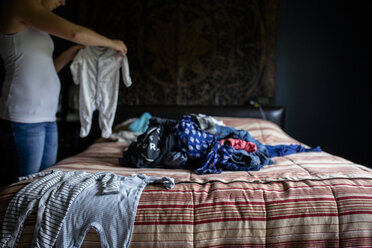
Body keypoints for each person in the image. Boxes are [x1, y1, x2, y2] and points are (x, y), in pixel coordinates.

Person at [0, 0, 128, 188]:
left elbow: (47, 68)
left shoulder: (36, 25)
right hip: (23, 117)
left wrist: (70, 54)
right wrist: (112, 43)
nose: (62, 2)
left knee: (43, 184)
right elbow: (75, 33)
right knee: (22, 187)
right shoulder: (18, 5)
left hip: (49, 116)